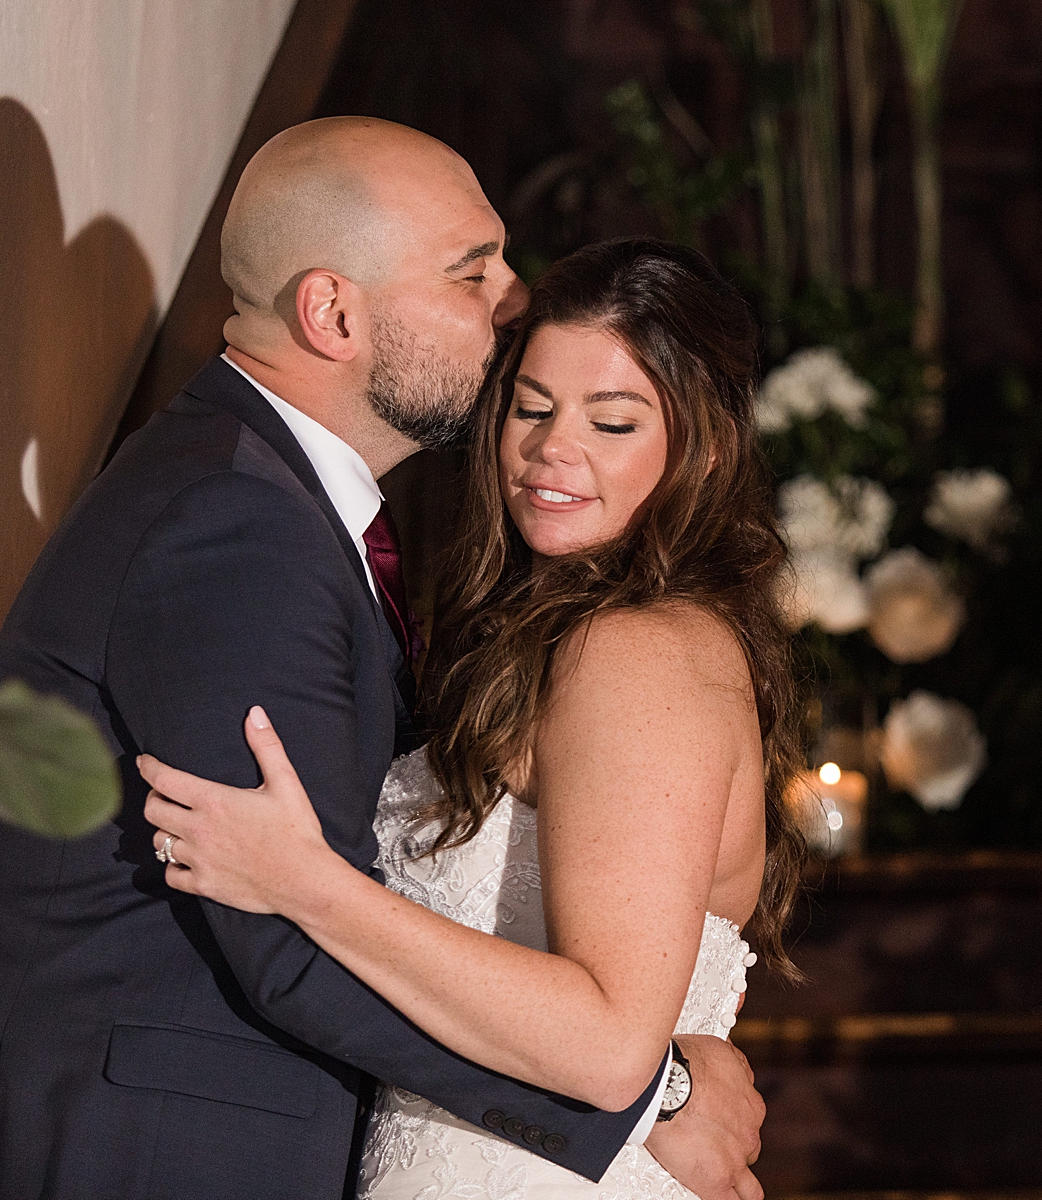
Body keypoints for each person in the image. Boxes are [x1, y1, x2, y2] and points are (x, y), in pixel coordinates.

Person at [0, 119, 763, 1200]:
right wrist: (652, 1105)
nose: (511, 301)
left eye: (614, 420)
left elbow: (313, 894)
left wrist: (638, 1091)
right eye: (471, 272)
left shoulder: (282, 508)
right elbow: (285, 942)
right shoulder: (237, 523)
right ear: (335, 313)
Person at [138, 236, 808, 1199]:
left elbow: (613, 1043)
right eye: (531, 409)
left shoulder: (640, 650)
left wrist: (304, 882)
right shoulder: (546, 635)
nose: (551, 451)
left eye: (612, 423)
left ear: (699, 447)